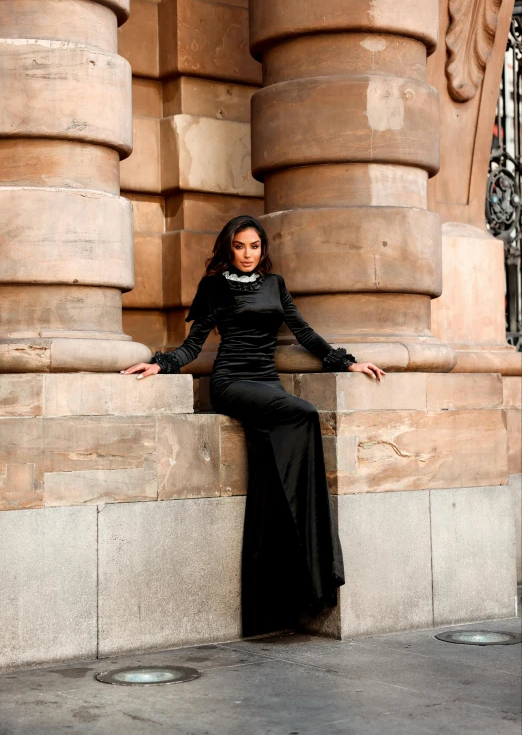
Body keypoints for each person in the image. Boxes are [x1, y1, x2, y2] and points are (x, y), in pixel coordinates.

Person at [121, 215, 386, 637]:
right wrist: (161, 362)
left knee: (272, 481)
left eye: (255, 247)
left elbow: (304, 333)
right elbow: (195, 344)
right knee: (304, 413)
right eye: (240, 246)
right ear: (229, 248)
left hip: (267, 382)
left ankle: (278, 603)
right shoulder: (213, 287)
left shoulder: (275, 284)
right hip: (231, 383)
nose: (248, 254)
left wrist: (347, 361)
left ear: (263, 250)